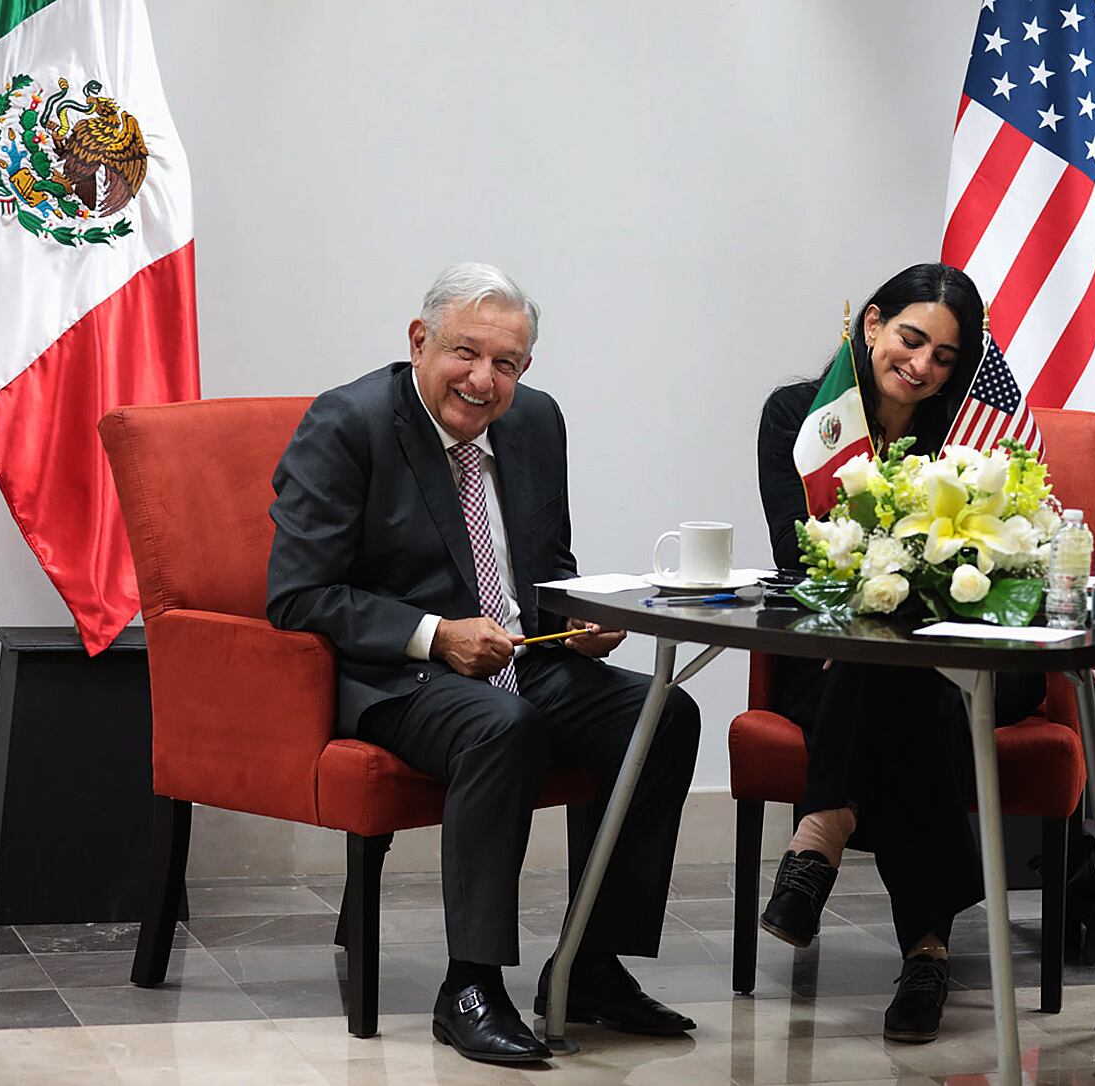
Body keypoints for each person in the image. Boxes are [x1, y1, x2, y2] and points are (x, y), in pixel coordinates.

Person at [266, 263, 701, 1066]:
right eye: (465, 353)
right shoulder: (349, 422)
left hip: (520, 657)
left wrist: (575, 623)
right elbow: (298, 596)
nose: (482, 380)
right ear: (419, 341)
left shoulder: (535, 422)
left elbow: (547, 566)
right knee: (503, 726)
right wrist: (437, 633)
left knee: (662, 712)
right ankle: (469, 986)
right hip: (398, 674)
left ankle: (592, 968)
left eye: (506, 364)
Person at [754, 262, 1046, 1044]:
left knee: (902, 678)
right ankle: (926, 954)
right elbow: (797, 556)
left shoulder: (969, 436)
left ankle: (819, 837)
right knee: (903, 691)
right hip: (841, 659)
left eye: (945, 357)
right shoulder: (799, 415)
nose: (921, 367)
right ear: (874, 322)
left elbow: (1007, 565)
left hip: (973, 660)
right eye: (911, 340)